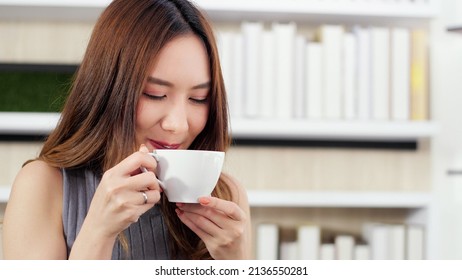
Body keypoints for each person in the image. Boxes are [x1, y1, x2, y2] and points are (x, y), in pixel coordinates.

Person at [2, 0, 251, 260]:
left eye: (198, 98)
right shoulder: (43, 186)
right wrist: (98, 232)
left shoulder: (226, 195)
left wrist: (235, 264)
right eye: (155, 95)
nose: (177, 125)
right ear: (108, 88)